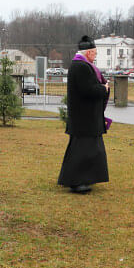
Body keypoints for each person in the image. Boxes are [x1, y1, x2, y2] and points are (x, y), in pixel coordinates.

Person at [58, 35, 111, 193]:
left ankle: (85, 178)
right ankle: (76, 181)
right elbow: (88, 90)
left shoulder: (81, 65)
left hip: (86, 118)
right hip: (84, 119)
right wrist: (104, 88)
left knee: (91, 151)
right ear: (88, 53)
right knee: (81, 152)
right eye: (94, 53)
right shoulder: (81, 67)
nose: (95, 56)